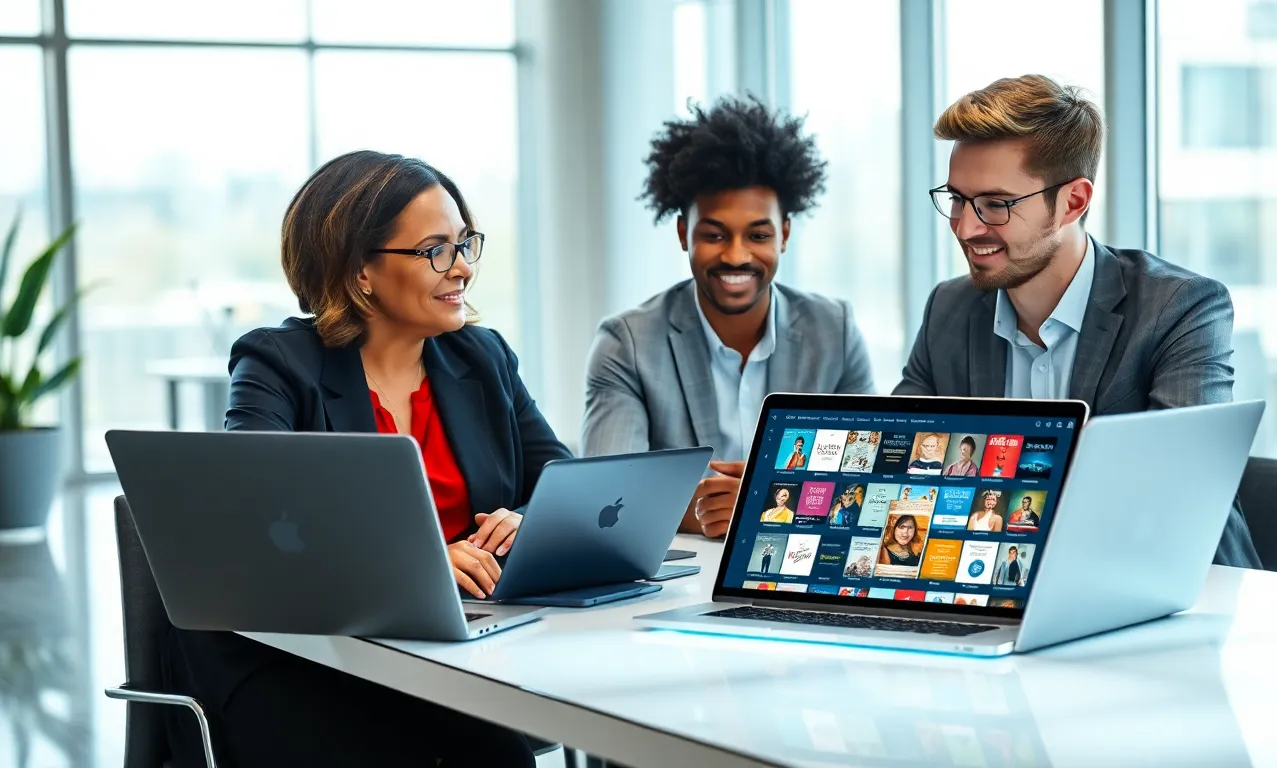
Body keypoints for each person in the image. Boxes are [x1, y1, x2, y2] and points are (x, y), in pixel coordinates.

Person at [162, 151, 566, 768]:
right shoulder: (277, 364)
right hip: (295, 656)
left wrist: (530, 520)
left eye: (465, 243)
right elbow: (250, 520)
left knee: (501, 760)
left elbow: (557, 480)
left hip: (440, 654)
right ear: (359, 273)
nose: (461, 268)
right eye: (435, 249)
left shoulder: (481, 359)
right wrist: (420, 562)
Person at [893, 74, 1261, 569]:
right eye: (957, 199)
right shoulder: (949, 310)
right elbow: (896, 462)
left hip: (1171, 595)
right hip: (1003, 588)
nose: (966, 226)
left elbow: (1178, 494)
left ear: (1073, 202)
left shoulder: (1180, 307)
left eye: (995, 204)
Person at [581, 95, 875, 540]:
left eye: (758, 235)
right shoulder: (628, 343)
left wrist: (757, 501)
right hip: (676, 583)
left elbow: (870, 484)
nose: (736, 255)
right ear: (684, 233)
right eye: (715, 235)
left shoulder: (834, 331)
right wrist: (730, 508)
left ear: (785, 235)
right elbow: (606, 497)